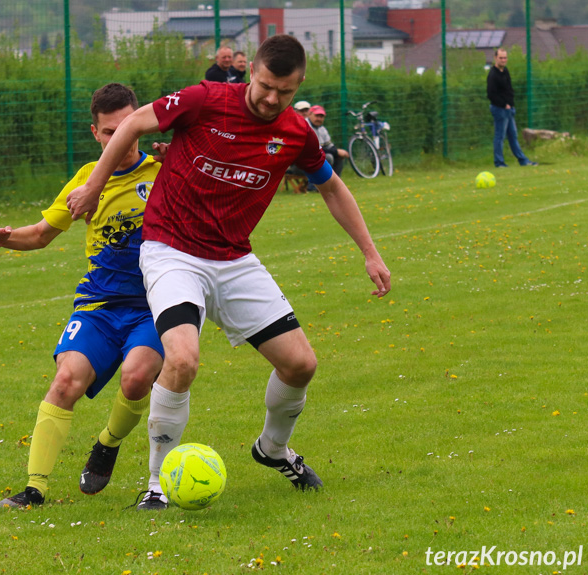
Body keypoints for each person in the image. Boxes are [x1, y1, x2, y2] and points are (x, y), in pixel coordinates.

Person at [66, 35, 391, 510]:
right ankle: (157, 483)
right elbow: (134, 121)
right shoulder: (204, 100)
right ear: (251, 72)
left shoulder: (296, 131)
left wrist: (371, 252)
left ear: (298, 84)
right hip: (171, 249)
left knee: (301, 364)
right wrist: (95, 185)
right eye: (264, 86)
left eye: (284, 91)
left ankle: (273, 448)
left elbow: (332, 187)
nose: (271, 98)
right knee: (182, 359)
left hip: (233, 259)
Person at [0, 83, 165, 509]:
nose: (119, 138)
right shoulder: (87, 179)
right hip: (99, 306)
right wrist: (7, 239)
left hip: (153, 305)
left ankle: (107, 443)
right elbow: (42, 234)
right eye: (108, 131)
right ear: (95, 133)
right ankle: (34, 490)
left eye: (127, 127)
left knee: (138, 377)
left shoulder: (162, 170)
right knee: (66, 380)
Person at [487, 48, 537, 168]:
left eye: (505, 58)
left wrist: (511, 104)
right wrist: (504, 104)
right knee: (500, 136)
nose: (503, 60)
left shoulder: (505, 71)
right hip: (500, 110)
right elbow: (491, 94)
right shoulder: (493, 75)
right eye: (501, 58)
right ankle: (499, 163)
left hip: (509, 110)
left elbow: (509, 89)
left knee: (513, 136)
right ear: (495, 58)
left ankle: (523, 160)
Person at [307, 105, 348, 179]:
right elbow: (312, 149)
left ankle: (334, 183)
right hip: (302, 162)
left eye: (321, 116)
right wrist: (336, 151)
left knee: (338, 157)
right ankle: (316, 185)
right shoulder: (305, 126)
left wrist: (337, 152)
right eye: (317, 116)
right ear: (309, 114)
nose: (319, 119)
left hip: (315, 157)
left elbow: (329, 145)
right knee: (328, 157)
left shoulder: (322, 129)